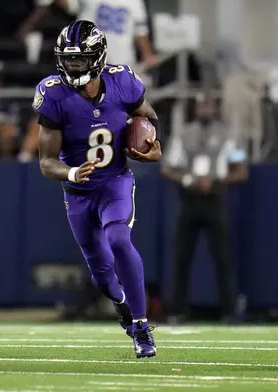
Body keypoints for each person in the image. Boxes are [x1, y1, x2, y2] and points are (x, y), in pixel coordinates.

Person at [33, 20, 162, 358]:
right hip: (78, 194)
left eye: (79, 59)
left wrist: (152, 145)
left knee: (120, 238)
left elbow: (149, 118)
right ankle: (122, 305)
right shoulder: (54, 95)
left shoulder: (122, 82)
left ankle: (142, 327)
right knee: (103, 278)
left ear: (97, 57)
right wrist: (72, 172)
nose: (72, 66)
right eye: (68, 59)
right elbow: (46, 162)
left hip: (115, 182)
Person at [161, 92, 248, 324]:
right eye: (201, 106)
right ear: (195, 108)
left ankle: (229, 311)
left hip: (215, 199)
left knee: (223, 257)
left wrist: (217, 180)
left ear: (215, 107)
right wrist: (189, 180)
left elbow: (241, 172)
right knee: (181, 256)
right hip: (189, 199)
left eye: (208, 105)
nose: (205, 110)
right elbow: (167, 168)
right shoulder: (184, 135)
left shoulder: (229, 136)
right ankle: (177, 310)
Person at [62, 0, 157, 68]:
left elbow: (140, 31)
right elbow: (70, 5)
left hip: (118, 59)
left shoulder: (135, 2)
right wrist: (147, 55)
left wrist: (147, 55)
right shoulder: (135, 2)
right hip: (89, 56)